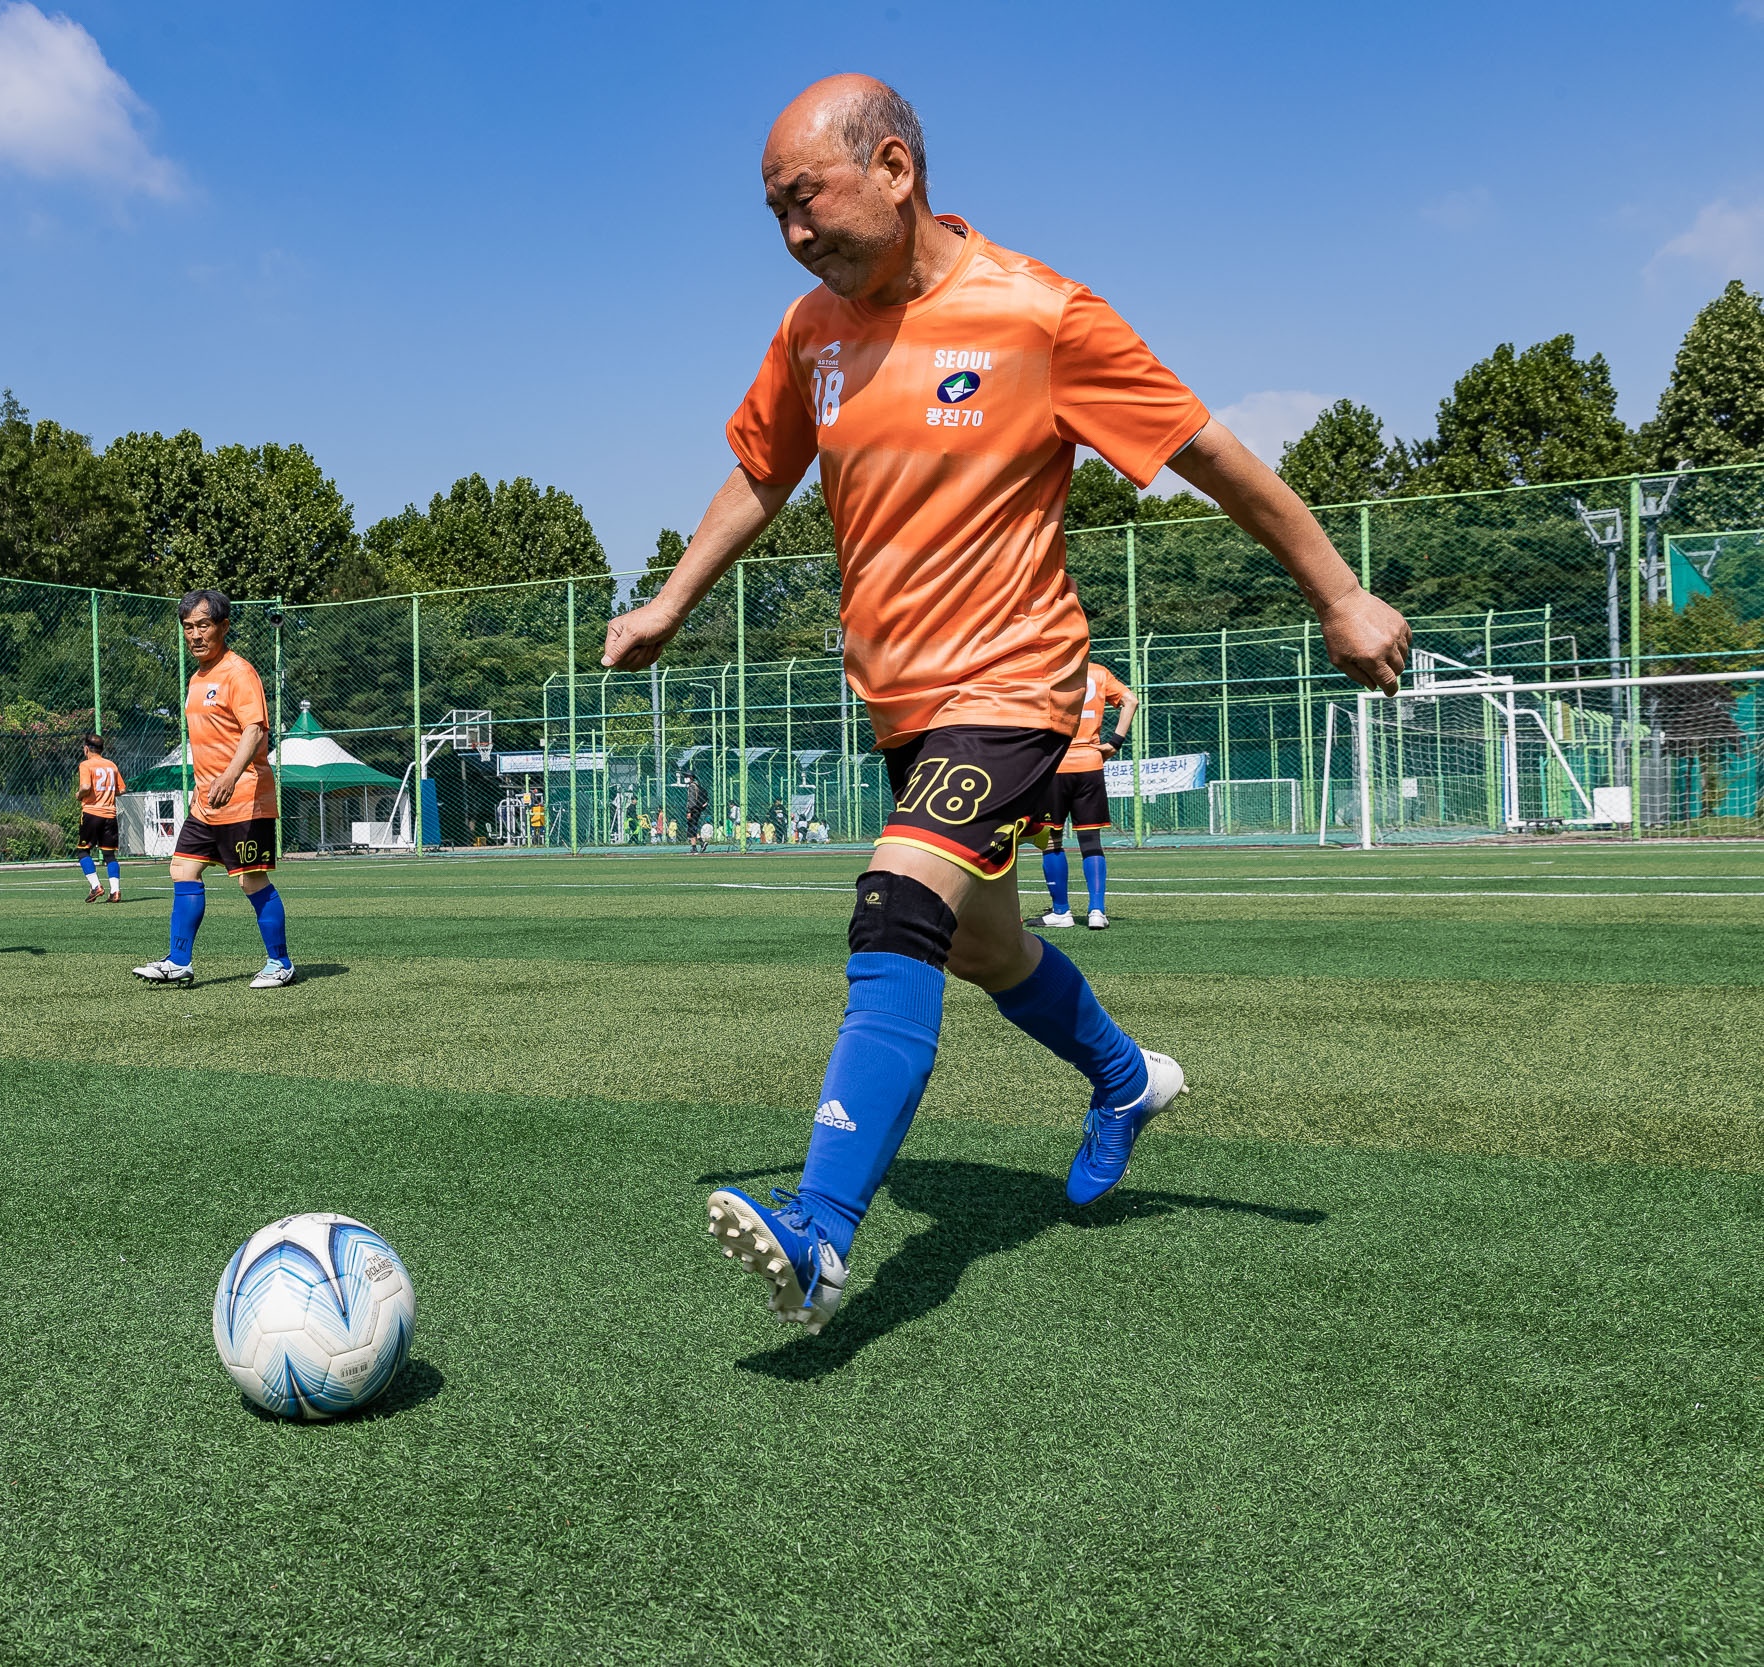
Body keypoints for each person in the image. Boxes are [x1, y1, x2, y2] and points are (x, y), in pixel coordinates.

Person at [603, 76, 1408, 1333]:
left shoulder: (1040, 316)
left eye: (804, 200)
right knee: (980, 942)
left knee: (894, 901)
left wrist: (1339, 592)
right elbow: (762, 472)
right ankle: (1124, 1076)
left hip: (1019, 686)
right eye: (773, 213)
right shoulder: (810, 329)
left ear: (893, 166)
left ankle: (819, 1230)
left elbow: (1211, 454)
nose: (793, 234)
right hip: (903, 708)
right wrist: (668, 602)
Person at [133, 590, 294, 990]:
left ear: (223, 626)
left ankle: (280, 963)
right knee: (183, 869)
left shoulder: (239, 673)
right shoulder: (196, 678)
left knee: (250, 880)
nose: (195, 635)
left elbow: (255, 730)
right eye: (188, 627)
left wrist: (229, 776)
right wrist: (202, 786)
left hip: (244, 797)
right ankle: (178, 961)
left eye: (203, 625)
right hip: (206, 802)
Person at [1035, 662, 1134, 931]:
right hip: (1090, 765)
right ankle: (1097, 912)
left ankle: (1061, 912)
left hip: (1053, 765)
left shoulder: (1045, 670)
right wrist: (1114, 743)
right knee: (1091, 841)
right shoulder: (1098, 672)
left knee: (1052, 840)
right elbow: (1130, 700)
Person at [77, 732, 125, 902]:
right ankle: (116, 892)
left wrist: (79, 794)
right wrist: (108, 793)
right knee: (109, 855)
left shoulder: (86, 764)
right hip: (110, 815)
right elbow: (122, 789)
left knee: (83, 851)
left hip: (91, 813)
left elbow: (85, 786)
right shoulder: (111, 765)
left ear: (86, 749)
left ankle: (96, 886)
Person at [682, 771, 710, 853]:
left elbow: (691, 800)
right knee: (693, 827)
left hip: (693, 810)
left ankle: (696, 846)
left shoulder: (692, 786)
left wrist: (689, 811)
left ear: (691, 777)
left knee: (691, 828)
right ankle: (700, 843)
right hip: (697, 809)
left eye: (687, 776)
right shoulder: (697, 786)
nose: (685, 778)